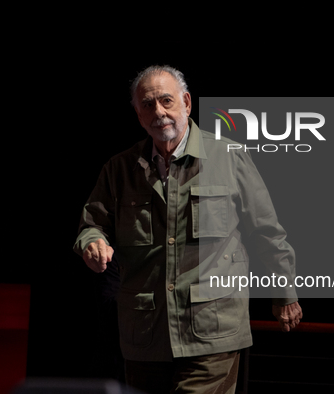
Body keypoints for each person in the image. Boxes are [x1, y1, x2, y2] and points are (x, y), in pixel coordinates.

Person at [73, 65, 302, 394]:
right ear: (137, 114)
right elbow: (91, 224)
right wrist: (92, 241)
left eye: (166, 101)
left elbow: (266, 232)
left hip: (212, 332)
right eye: (148, 105)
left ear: (187, 103)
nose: (159, 112)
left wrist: (284, 294)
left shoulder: (230, 157)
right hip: (146, 337)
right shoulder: (119, 169)